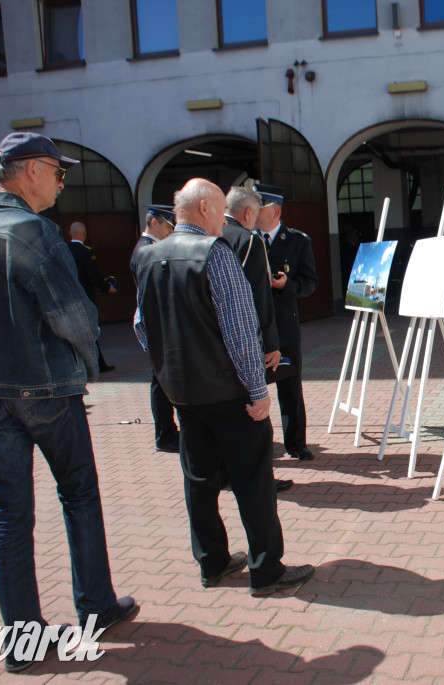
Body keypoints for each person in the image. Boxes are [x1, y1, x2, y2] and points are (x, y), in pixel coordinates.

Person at [0, 132, 138, 672]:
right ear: (29, 170)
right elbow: (75, 317)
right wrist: (85, 362)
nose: (60, 181)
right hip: (44, 388)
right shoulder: (36, 234)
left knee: (7, 512)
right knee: (78, 493)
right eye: (57, 170)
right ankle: (96, 606)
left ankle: (21, 639)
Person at [133, 178, 314, 597]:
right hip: (227, 391)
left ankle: (211, 563)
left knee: (198, 478)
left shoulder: (149, 256)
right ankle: (266, 568)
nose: (221, 219)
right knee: (253, 478)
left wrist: (167, 370)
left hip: (183, 391)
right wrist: (257, 390)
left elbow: (143, 328)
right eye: (218, 210)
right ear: (204, 210)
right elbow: (240, 331)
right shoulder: (214, 254)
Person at [223, 186, 292, 492]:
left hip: (215, 344)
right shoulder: (248, 240)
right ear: (249, 212)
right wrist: (272, 343)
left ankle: (225, 474)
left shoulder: (208, 235)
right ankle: (261, 479)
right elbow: (259, 297)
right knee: (254, 412)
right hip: (245, 338)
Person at [255, 184, 318, 461]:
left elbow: (310, 283)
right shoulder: (247, 239)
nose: (253, 212)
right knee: (253, 388)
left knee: (290, 388)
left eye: (260, 207)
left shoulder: (297, 241)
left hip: (284, 326)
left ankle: (296, 443)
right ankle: (261, 447)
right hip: (255, 327)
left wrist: (286, 285)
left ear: (275, 211)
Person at [130, 204, 179, 453]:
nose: (172, 232)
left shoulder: (148, 249)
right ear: (155, 222)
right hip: (159, 327)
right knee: (161, 384)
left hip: (159, 327)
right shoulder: (146, 251)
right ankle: (165, 434)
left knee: (162, 382)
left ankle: (167, 431)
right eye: (170, 226)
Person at [68, 221, 117, 372]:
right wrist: (107, 287)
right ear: (84, 235)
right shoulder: (86, 252)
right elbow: (93, 275)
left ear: (70, 234)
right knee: (91, 331)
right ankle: (98, 364)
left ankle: (77, 366)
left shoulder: (63, 250)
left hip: (69, 298)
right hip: (86, 298)